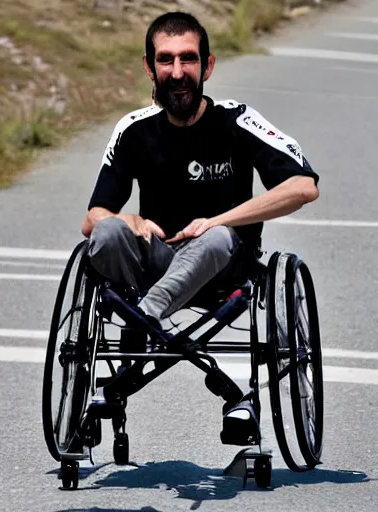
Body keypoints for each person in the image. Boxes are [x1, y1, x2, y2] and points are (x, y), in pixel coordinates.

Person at [81, 12, 319, 440]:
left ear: (207, 66)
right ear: (149, 67)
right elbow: (93, 218)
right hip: (157, 259)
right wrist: (125, 218)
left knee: (215, 238)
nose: (177, 73)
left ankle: (145, 318)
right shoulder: (133, 129)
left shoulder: (237, 120)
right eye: (166, 60)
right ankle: (147, 314)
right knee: (108, 233)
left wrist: (218, 220)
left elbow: (303, 186)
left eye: (188, 60)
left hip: (225, 266)